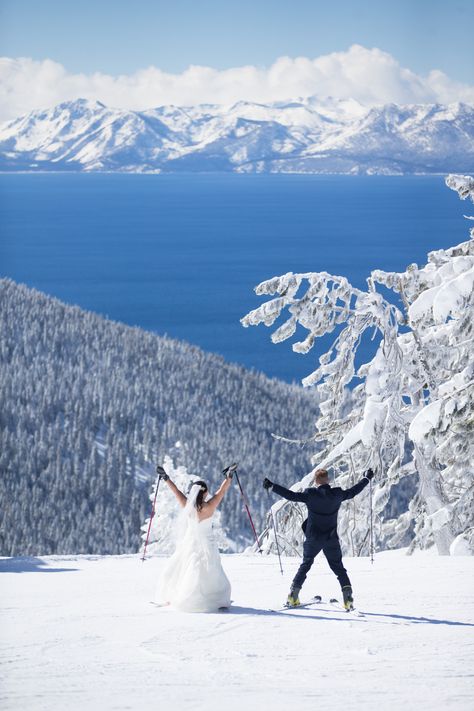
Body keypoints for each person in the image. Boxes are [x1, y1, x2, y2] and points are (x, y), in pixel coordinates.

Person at [263, 467, 374, 610]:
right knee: (339, 569)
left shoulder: (311, 494)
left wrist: (273, 487)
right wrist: (366, 478)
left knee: (306, 564)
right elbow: (353, 491)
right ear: (328, 480)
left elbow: (291, 495)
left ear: (316, 482)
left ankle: (293, 596)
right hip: (331, 538)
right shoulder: (337, 494)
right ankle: (348, 599)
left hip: (313, 538)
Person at [154, 465, 234, 612]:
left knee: (187, 568)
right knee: (212, 570)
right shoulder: (210, 506)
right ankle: (215, 598)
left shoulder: (187, 506)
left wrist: (166, 478)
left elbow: (176, 491)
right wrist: (228, 477)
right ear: (205, 493)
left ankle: (185, 595)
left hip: (190, 543)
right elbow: (221, 491)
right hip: (208, 544)